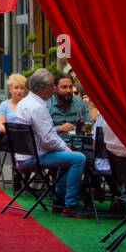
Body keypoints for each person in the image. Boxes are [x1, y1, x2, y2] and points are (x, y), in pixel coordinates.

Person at [14, 68, 91, 218]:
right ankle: (70, 205)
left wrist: (64, 150)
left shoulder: (25, 102)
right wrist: (66, 150)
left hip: (25, 155)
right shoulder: (37, 107)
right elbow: (48, 139)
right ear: (43, 88)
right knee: (79, 158)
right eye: (52, 85)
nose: (53, 88)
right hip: (34, 156)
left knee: (68, 158)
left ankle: (59, 201)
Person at [0, 72, 27, 152]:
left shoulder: (27, 104)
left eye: (22, 88)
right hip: (8, 137)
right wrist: (16, 132)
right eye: (16, 88)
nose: (19, 91)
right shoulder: (4, 105)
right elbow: (0, 127)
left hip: (25, 137)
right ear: (10, 89)